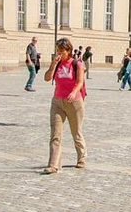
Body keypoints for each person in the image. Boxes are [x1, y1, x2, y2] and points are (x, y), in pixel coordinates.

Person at [42, 38, 88, 174]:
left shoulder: (77, 64)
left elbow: (80, 82)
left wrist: (74, 92)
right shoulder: (57, 64)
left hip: (74, 103)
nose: (59, 53)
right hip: (57, 102)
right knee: (55, 134)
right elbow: (47, 78)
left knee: (76, 132)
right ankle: (53, 165)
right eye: (58, 50)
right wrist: (53, 64)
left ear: (68, 51)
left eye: (61, 51)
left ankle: (81, 157)